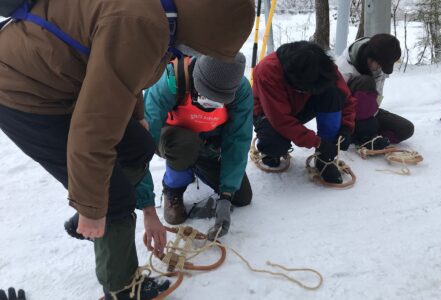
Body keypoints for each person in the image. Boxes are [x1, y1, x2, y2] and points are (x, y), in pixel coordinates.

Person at [0, 0, 254, 298]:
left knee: (138, 145)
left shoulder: (162, 15)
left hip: (65, 84)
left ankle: (98, 215)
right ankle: (121, 288)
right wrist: (94, 206)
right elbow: (95, 126)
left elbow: (120, 74)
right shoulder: (145, 23)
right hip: (24, 93)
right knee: (113, 195)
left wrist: (138, 118)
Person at [144, 53, 252, 240]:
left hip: (208, 143)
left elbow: (238, 140)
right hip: (173, 138)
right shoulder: (170, 80)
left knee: (242, 196)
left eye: (218, 102)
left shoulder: (239, 89)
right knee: (185, 145)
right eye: (207, 98)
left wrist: (226, 195)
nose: (211, 106)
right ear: (196, 81)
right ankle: (173, 188)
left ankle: (195, 164)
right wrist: (147, 207)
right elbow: (142, 144)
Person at [252, 41, 357, 184]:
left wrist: (346, 127)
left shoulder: (322, 66)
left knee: (332, 92)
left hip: (299, 106)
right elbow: (280, 119)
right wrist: (317, 142)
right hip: (269, 112)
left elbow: (345, 97)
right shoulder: (267, 71)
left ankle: (324, 158)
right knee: (275, 144)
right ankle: (269, 149)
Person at [337, 33, 414, 150]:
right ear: (370, 57)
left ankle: (365, 134)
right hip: (345, 116)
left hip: (367, 113)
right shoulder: (344, 68)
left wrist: (373, 114)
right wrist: (345, 127)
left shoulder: (379, 65)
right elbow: (334, 103)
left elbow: (378, 96)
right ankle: (364, 136)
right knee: (366, 81)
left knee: (406, 129)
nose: (379, 69)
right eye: (379, 64)